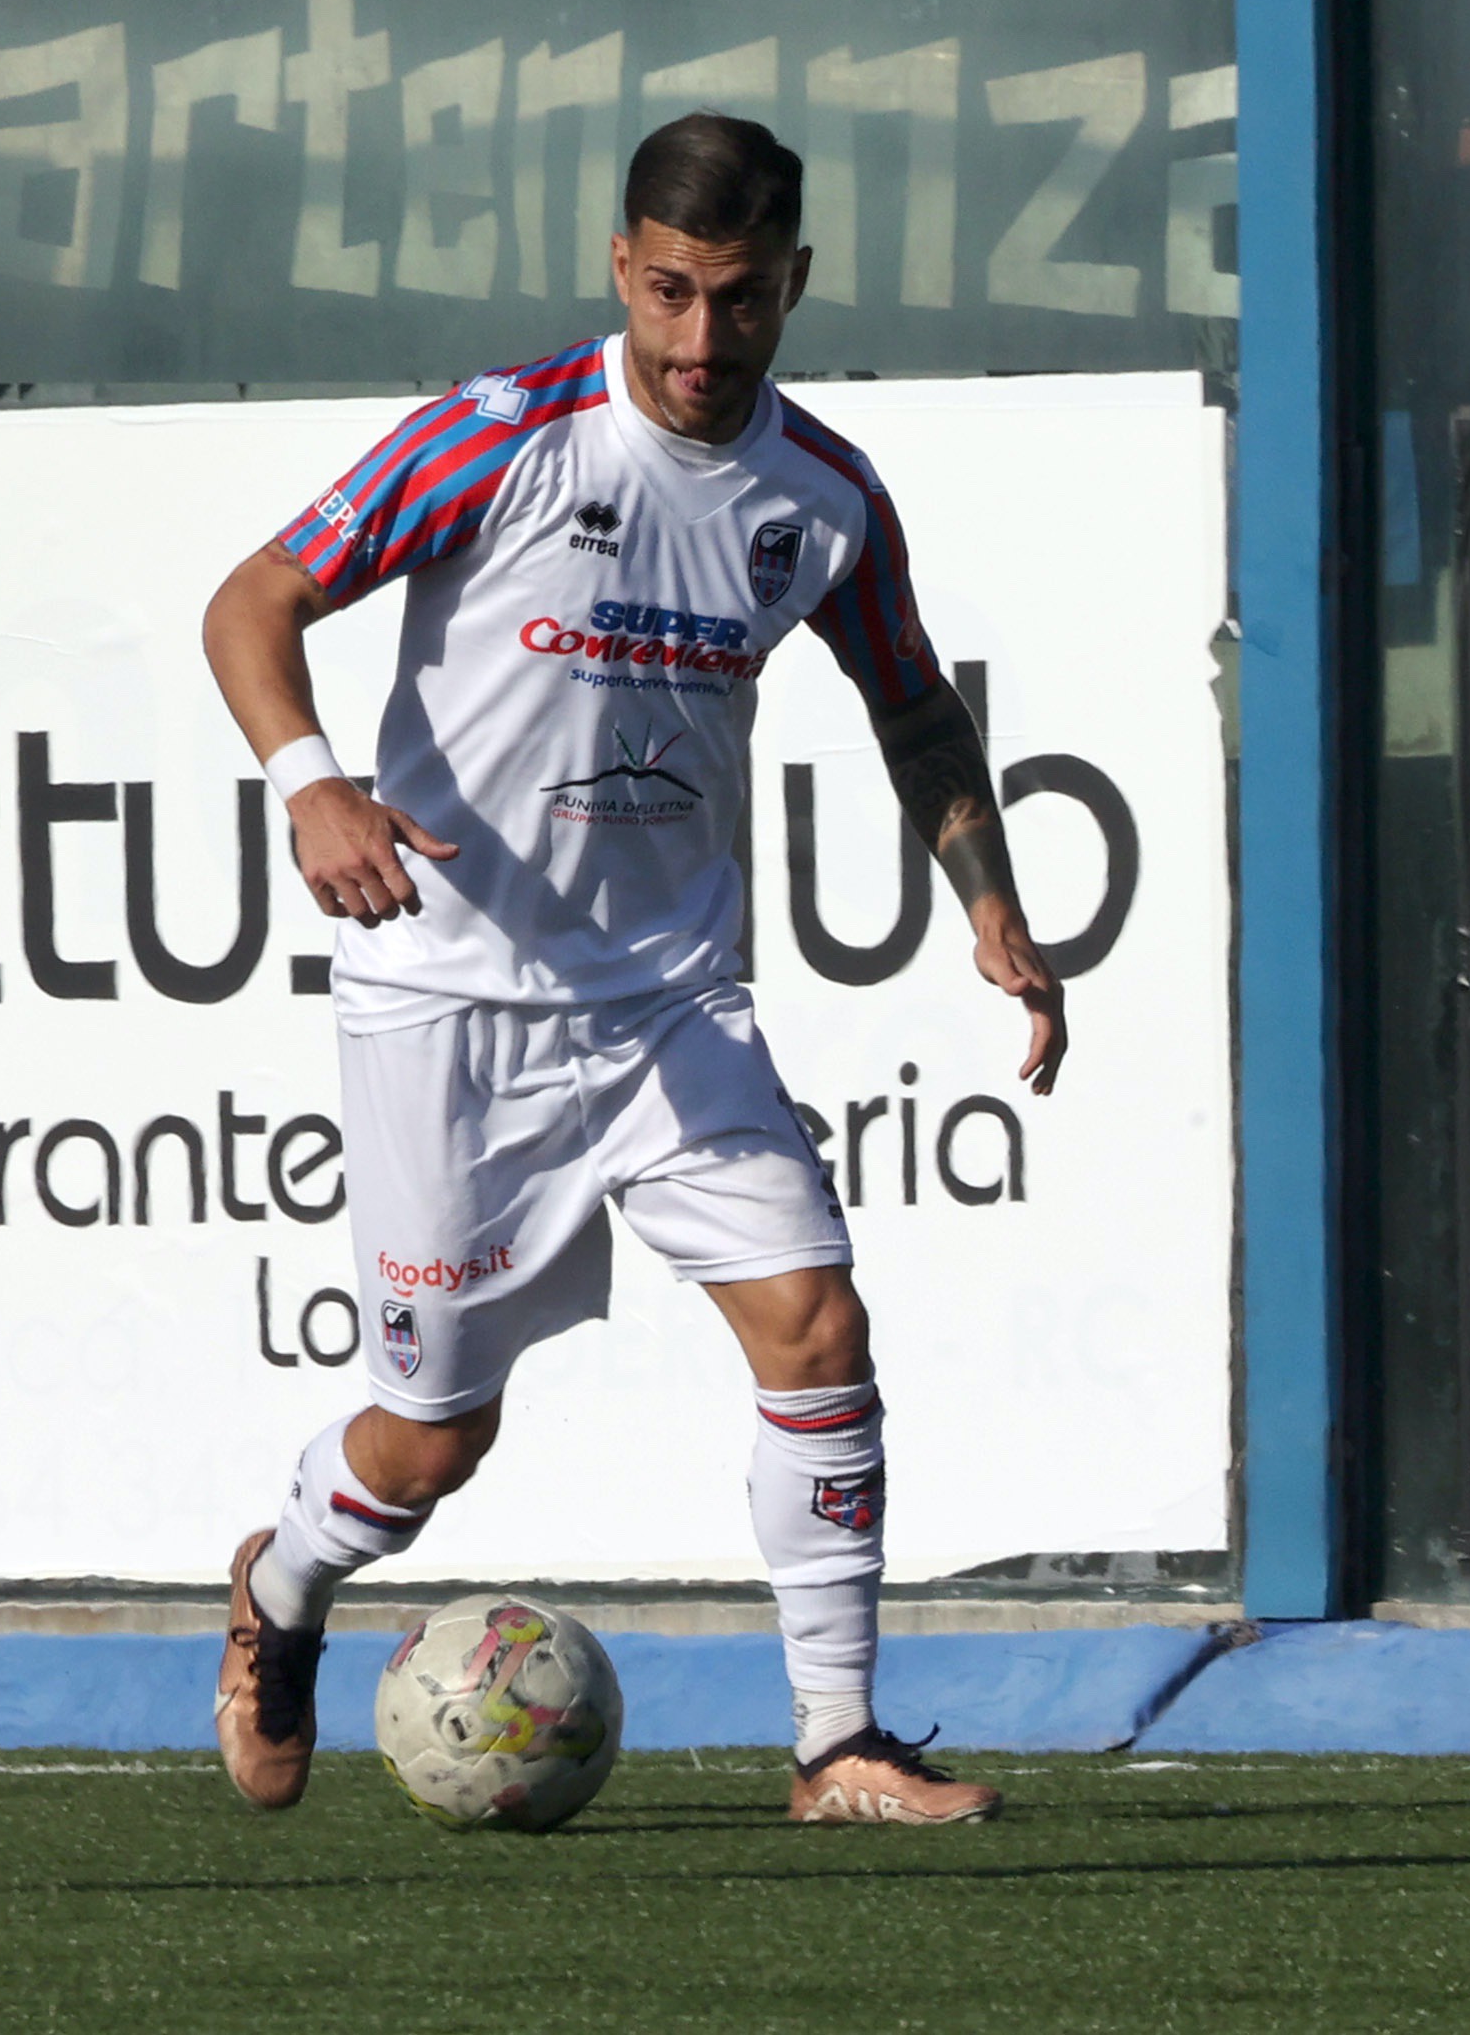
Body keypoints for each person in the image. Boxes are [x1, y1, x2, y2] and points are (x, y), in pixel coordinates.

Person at [201, 113, 1065, 1828]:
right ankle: (279, 1587)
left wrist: (992, 905)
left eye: (738, 298)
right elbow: (253, 601)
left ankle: (837, 1742)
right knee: (431, 1442)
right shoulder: (502, 436)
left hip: (673, 1004)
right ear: (620, 265)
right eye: (668, 290)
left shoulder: (823, 497)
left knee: (818, 1322)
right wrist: (314, 786)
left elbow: (913, 705)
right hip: (449, 1006)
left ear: (793, 283)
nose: (699, 337)